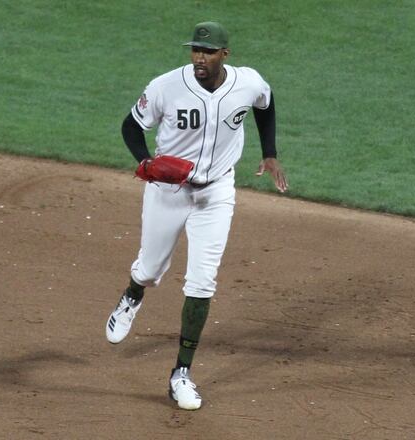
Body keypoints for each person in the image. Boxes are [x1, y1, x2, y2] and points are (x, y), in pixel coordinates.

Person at [106, 21, 287, 410]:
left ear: (225, 54)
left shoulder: (247, 82)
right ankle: (133, 294)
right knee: (151, 269)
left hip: (217, 192)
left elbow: (266, 103)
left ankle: (181, 374)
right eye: (195, 50)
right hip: (168, 191)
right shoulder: (165, 86)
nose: (199, 58)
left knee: (202, 283)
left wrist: (269, 151)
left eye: (207, 52)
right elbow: (130, 126)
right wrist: (146, 161)